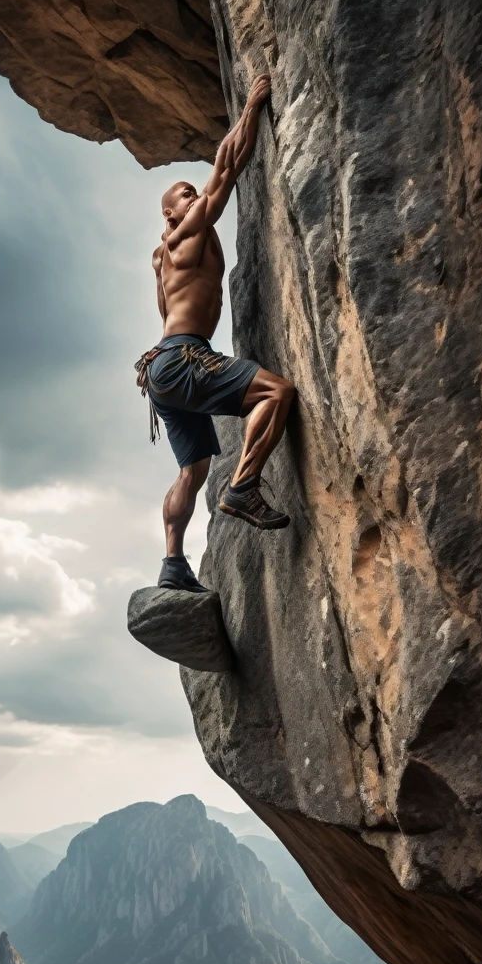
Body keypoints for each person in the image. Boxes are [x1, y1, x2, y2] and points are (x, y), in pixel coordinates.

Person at [135, 73, 295, 593]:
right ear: (170, 214)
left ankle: (172, 565)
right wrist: (250, 106)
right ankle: (245, 487)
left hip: (161, 370)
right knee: (278, 392)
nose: (193, 191)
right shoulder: (185, 236)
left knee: (193, 469)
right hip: (184, 358)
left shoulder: (162, 261)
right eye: (184, 193)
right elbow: (226, 169)